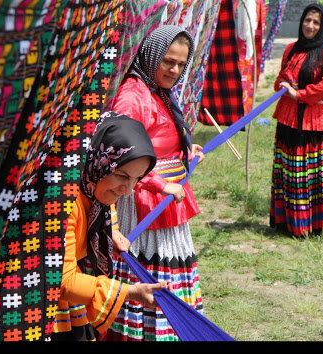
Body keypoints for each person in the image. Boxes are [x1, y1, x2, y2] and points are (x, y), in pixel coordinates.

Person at [100, 25, 205, 341]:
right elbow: (119, 155)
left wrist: (186, 151)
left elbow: (158, 140)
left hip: (166, 203)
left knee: (167, 276)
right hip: (143, 205)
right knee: (151, 278)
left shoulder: (156, 92)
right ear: (151, 56)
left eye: (180, 64)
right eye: (167, 61)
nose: (174, 70)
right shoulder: (133, 96)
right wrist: (161, 184)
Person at [51, 111, 172, 341]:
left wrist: (112, 231)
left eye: (136, 179)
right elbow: (63, 282)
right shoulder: (63, 204)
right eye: (121, 175)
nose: (127, 190)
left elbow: (107, 208)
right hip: (44, 307)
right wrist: (130, 292)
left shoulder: (94, 190)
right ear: (98, 162)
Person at [270, 3, 323, 238]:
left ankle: (322, 224)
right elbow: (280, 81)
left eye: (316, 22)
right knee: (293, 173)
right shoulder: (290, 49)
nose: (310, 25)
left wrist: (299, 94)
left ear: (322, 25)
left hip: (320, 122)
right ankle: (293, 223)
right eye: (307, 20)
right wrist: (285, 85)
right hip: (290, 121)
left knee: (321, 175)